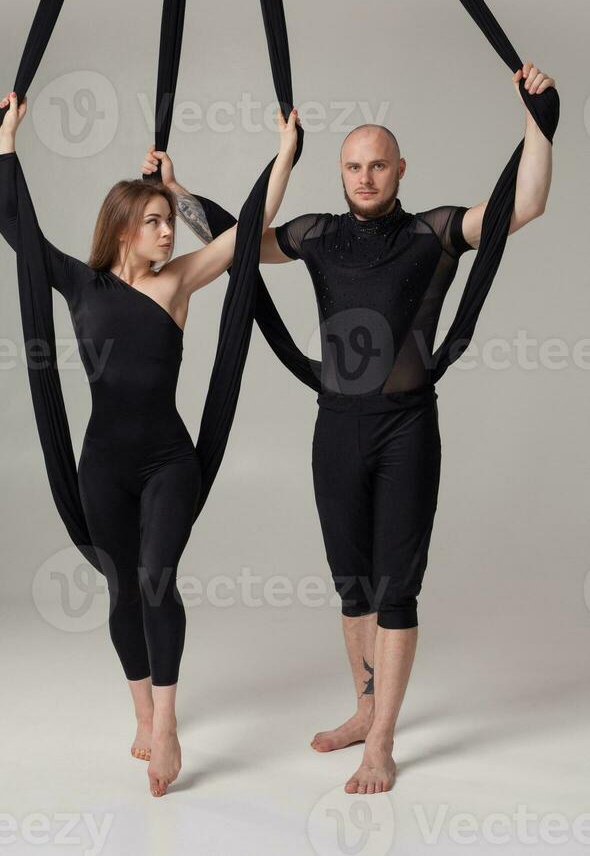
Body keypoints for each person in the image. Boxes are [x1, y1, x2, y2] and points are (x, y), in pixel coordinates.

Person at [157, 61, 555, 794]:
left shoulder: (434, 232)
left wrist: (538, 118)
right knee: (353, 586)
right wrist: (178, 194)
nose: (364, 177)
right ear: (339, 172)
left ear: (399, 168)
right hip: (336, 427)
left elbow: (523, 204)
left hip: (405, 428)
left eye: (377, 165)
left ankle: (382, 742)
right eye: (352, 166)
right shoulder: (315, 234)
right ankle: (362, 709)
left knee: (397, 587)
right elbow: (236, 243)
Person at [0, 91, 300, 798]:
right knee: (121, 587)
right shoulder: (80, 283)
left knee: (157, 577)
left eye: (168, 222)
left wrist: (282, 156)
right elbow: (13, 221)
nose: (168, 234)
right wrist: (6, 137)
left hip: (168, 461)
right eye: (156, 223)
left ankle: (166, 723)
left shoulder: (180, 283)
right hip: (103, 465)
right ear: (124, 230)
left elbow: (245, 228)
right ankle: (140, 709)